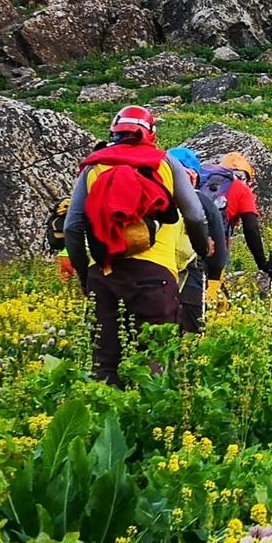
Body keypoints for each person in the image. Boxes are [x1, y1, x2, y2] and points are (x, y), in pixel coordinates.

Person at [64, 105, 210, 386]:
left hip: (104, 274)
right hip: (156, 277)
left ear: (113, 132)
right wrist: (202, 251)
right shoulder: (166, 163)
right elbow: (194, 215)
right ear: (151, 133)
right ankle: (148, 421)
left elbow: (72, 228)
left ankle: (105, 424)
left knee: (105, 364)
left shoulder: (94, 167)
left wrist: (85, 277)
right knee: (155, 362)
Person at [167, 146, 228, 333]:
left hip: (153, 277)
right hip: (190, 278)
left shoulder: (154, 197)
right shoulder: (202, 202)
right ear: (193, 177)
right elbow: (218, 253)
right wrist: (214, 280)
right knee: (189, 337)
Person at [201, 152, 272, 284]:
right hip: (217, 249)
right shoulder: (241, 188)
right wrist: (262, 263)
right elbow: (251, 228)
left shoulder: (203, 182)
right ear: (245, 176)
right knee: (212, 292)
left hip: (191, 242)